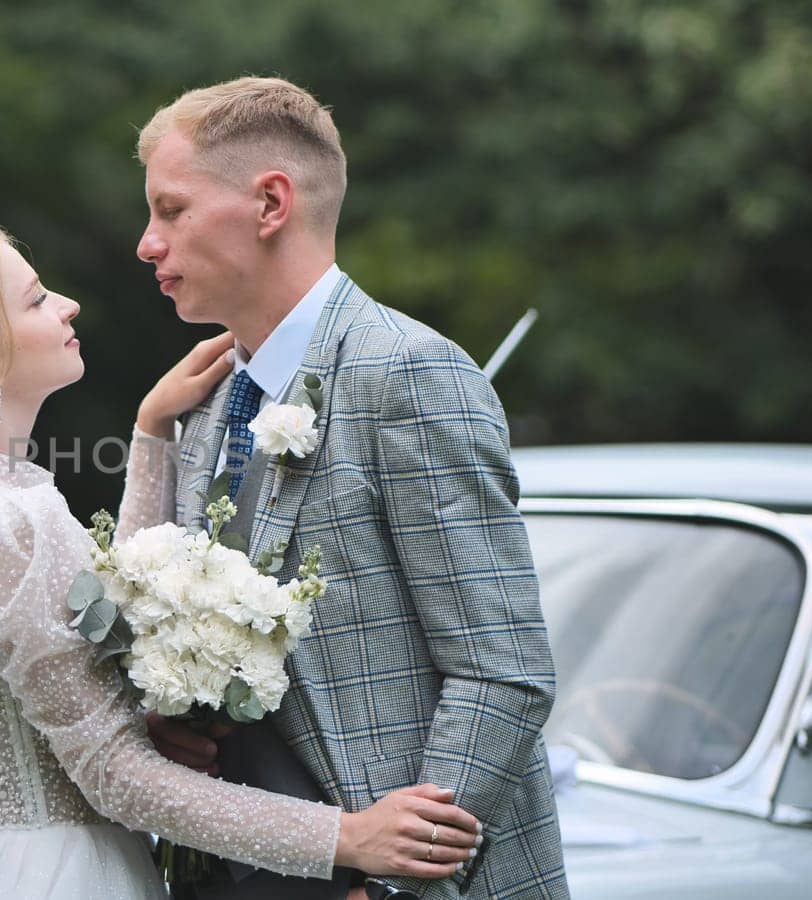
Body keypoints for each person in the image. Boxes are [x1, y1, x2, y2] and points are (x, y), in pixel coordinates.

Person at [0, 224, 482, 899]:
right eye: (34, 299)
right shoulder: (6, 522)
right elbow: (112, 772)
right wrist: (346, 837)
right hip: (57, 871)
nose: (66, 304)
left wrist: (149, 435)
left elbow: (90, 621)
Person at [124, 77, 569, 900]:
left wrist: (400, 883)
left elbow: (503, 671)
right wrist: (177, 720)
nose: (148, 244)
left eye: (171, 209)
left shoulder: (409, 372)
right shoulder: (210, 400)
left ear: (270, 203)